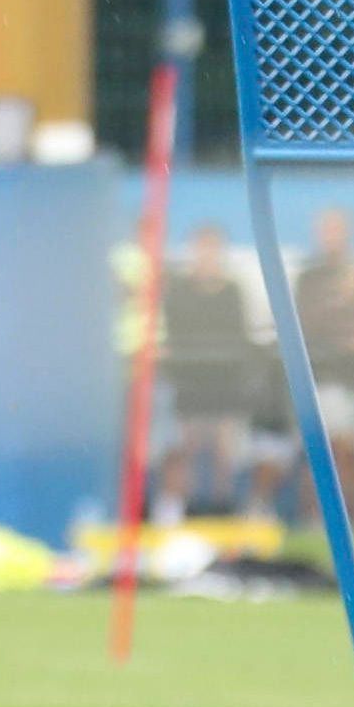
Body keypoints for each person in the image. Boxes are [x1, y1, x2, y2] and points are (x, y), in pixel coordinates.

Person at [157, 222, 261, 523]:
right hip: (188, 383)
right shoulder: (178, 290)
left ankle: (221, 507)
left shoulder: (232, 291)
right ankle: (181, 508)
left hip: (224, 383)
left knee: (223, 448)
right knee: (183, 447)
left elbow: (239, 333)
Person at [294, 207, 354, 518]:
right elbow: (304, 323)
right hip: (323, 377)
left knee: (353, 453)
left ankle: (353, 517)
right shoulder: (310, 277)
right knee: (324, 449)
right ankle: (317, 517)